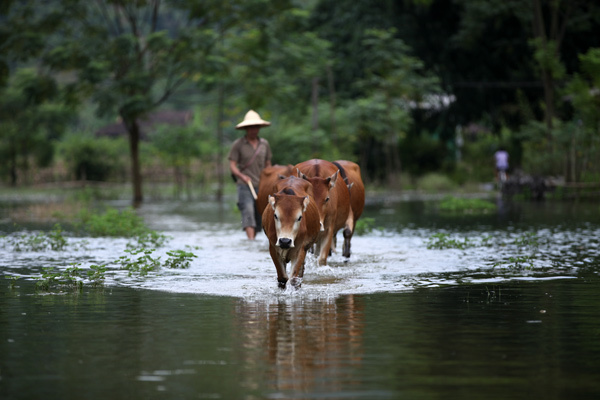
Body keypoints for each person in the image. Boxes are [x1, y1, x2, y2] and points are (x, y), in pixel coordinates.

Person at [228, 110, 272, 240]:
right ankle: (251, 243)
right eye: (251, 127)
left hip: (262, 185)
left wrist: (269, 178)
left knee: (260, 216)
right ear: (246, 129)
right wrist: (242, 176)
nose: (253, 130)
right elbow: (232, 166)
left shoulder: (264, 144)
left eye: (256, 127)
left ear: (259, 128)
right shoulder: (238, 144)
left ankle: (255, 241)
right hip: (245, 185)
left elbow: (268, 164)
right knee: (248, 212)